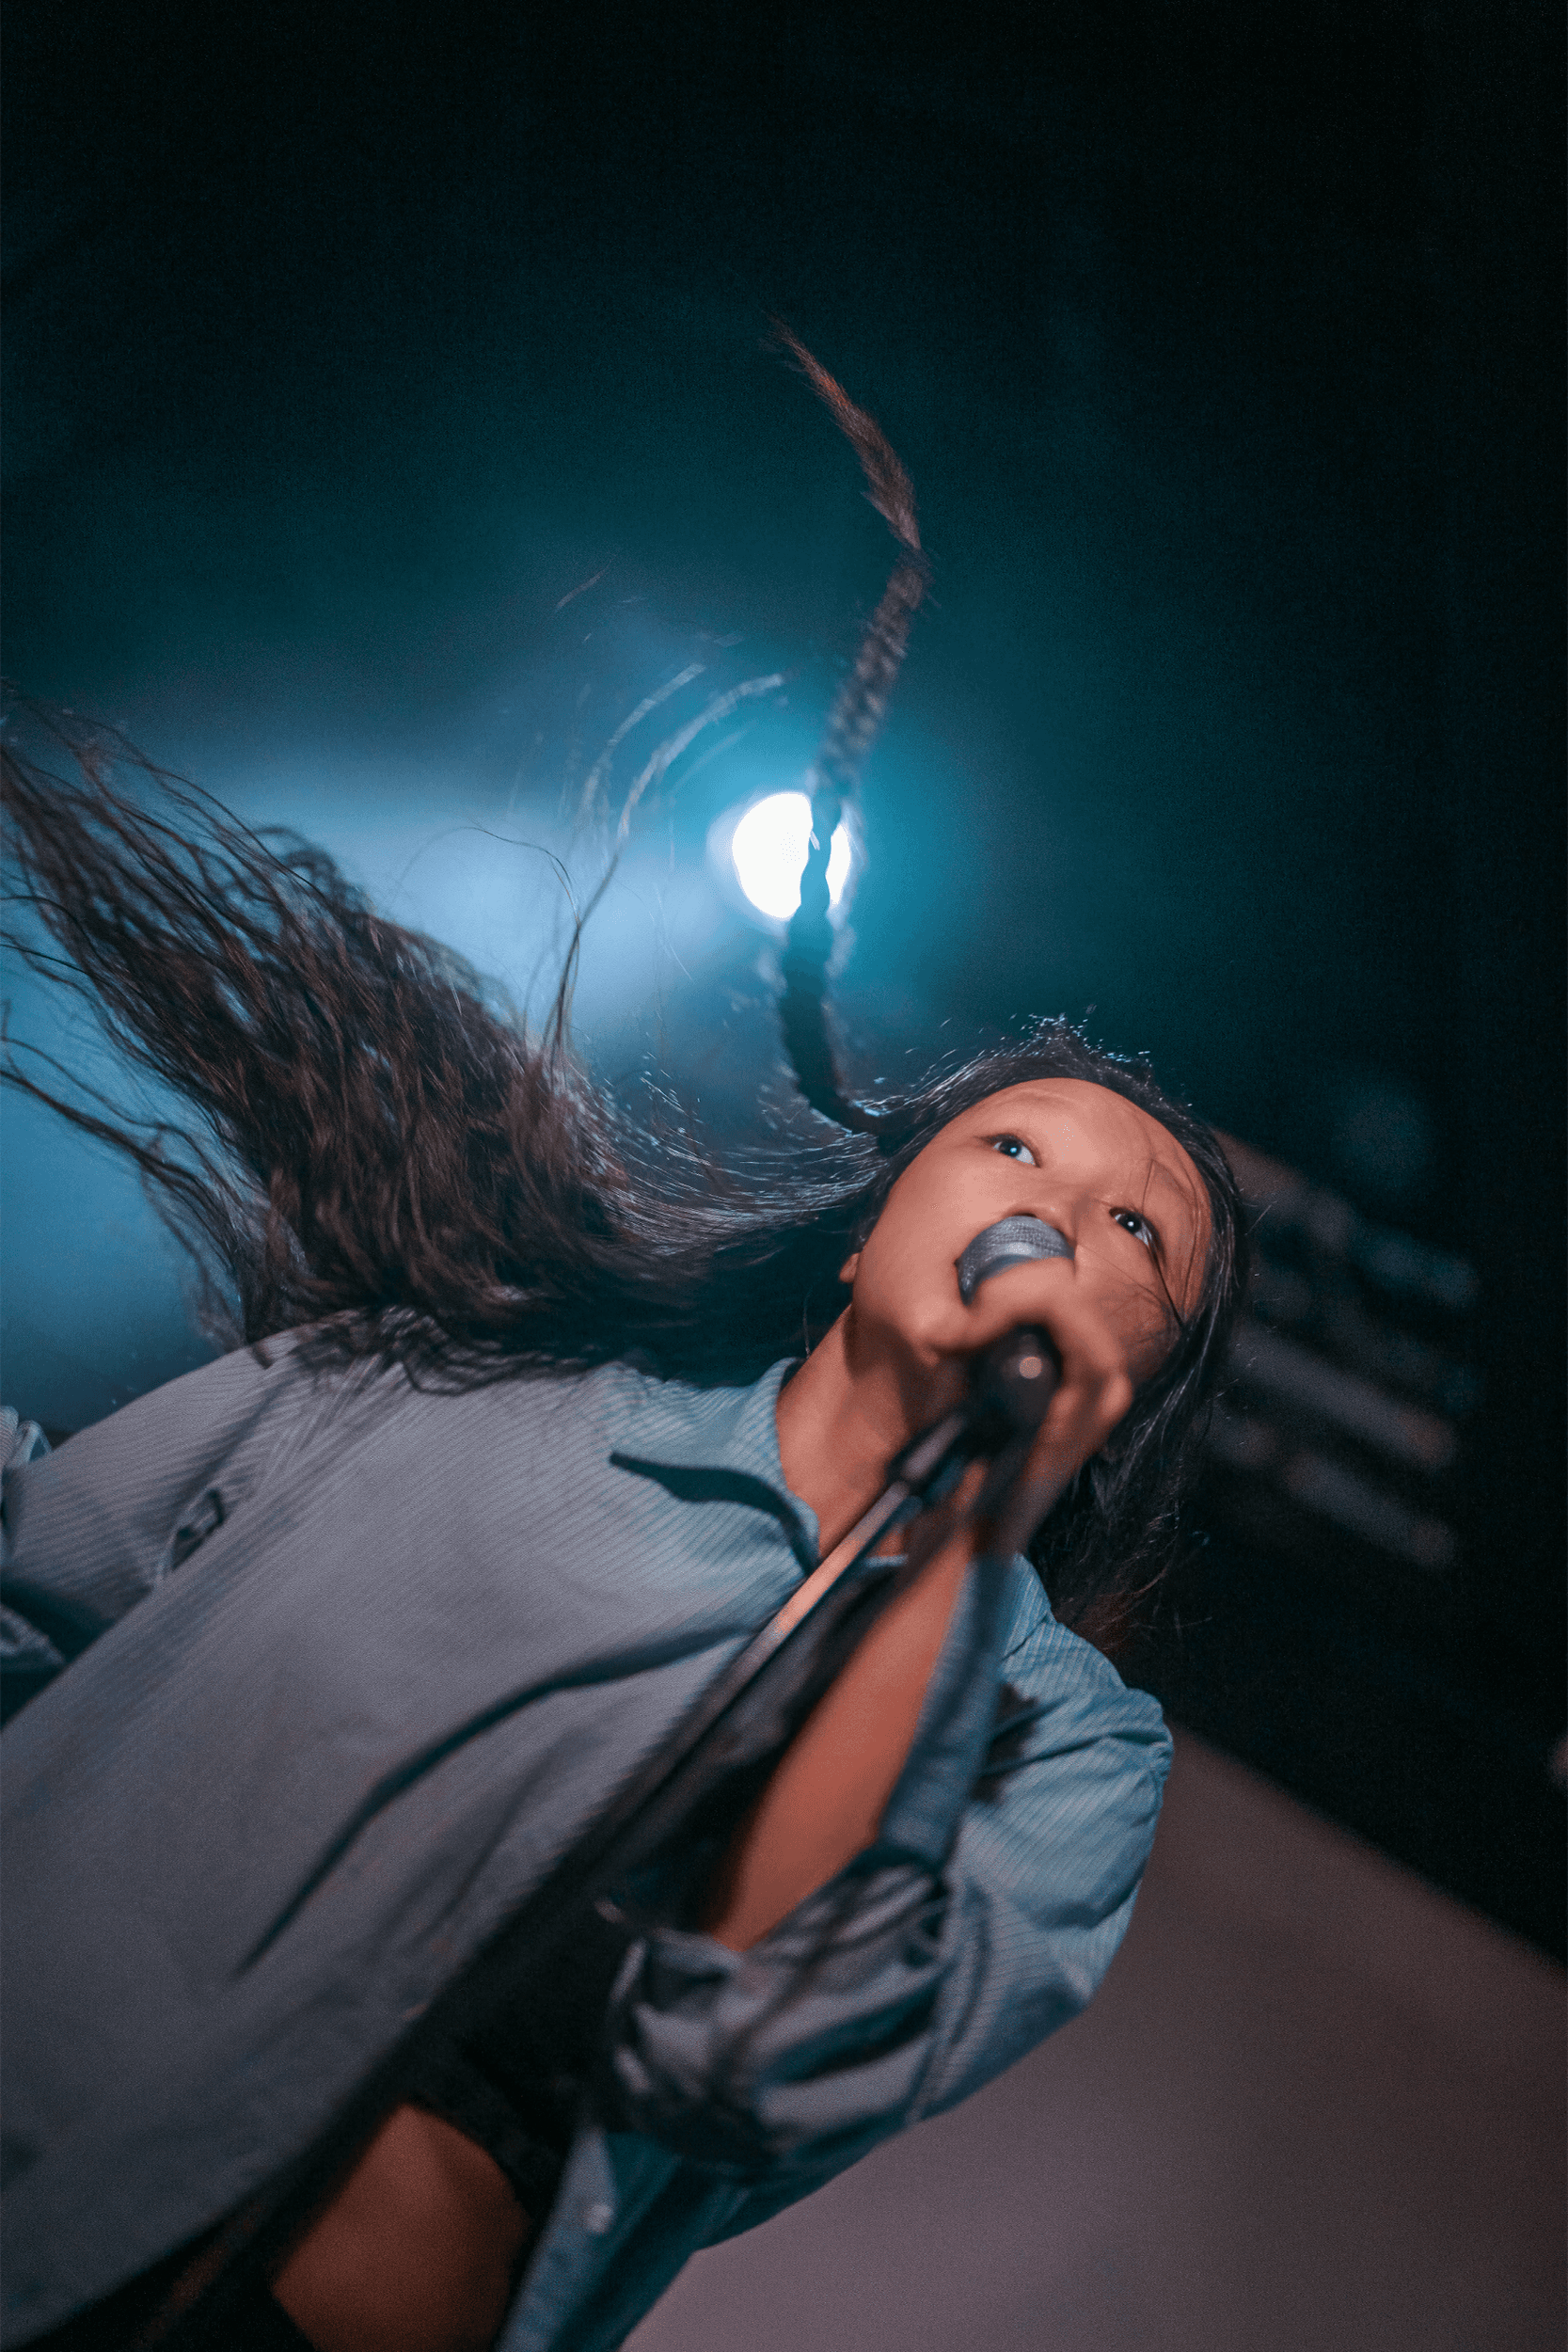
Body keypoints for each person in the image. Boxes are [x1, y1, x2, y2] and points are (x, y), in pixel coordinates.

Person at [0, 708, 1246, 2352]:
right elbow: (35, 1573)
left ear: (1141, 1379)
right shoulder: (466, 1387)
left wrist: (974, 1527)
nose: (1055, 1212)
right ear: (875, 1220)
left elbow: (751, 2059)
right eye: (1010, 1146)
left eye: (1135, 1229)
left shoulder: (1070, 1747)